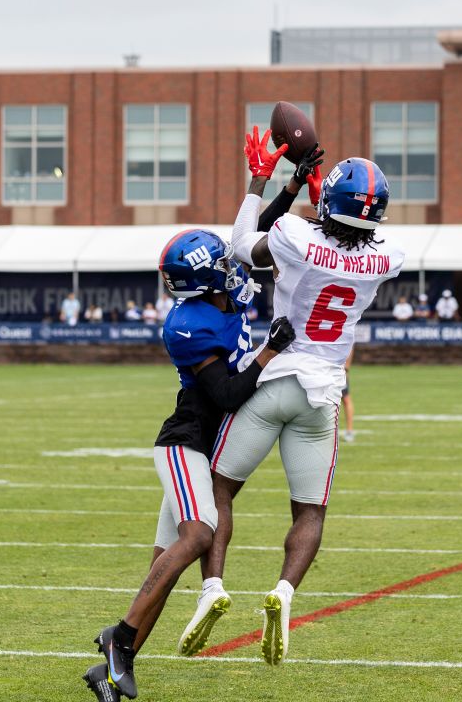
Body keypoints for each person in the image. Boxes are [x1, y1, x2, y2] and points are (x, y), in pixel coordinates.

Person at [182, 130, 405, 666]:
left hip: (275, 376)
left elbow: (240, 245)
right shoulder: (390, 257)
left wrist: (263, 180)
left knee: (219, 491)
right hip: (323, 394)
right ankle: (283, 593)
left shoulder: (295, 235)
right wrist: (321, 195)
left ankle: (212, 588)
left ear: (328, 203)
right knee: (311, 509)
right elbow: (348, 233)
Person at [82, 229, 296, 701]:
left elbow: (257, 239)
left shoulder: (220, 301)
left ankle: (114, 670)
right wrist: (269, 352)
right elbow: (225, 393)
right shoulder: (188, 323)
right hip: (185, 445)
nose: (230, 268)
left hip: (203, 448)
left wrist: (285, 186)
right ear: (203, 282)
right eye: (219, 266)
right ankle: (119, 635)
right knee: (199, 534)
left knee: (164, 567)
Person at [340, 349, 356, 443]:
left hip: (339, 371)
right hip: (325, 370)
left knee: (346, 399)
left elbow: (350, 346)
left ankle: (349, 431)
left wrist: (346, 367)